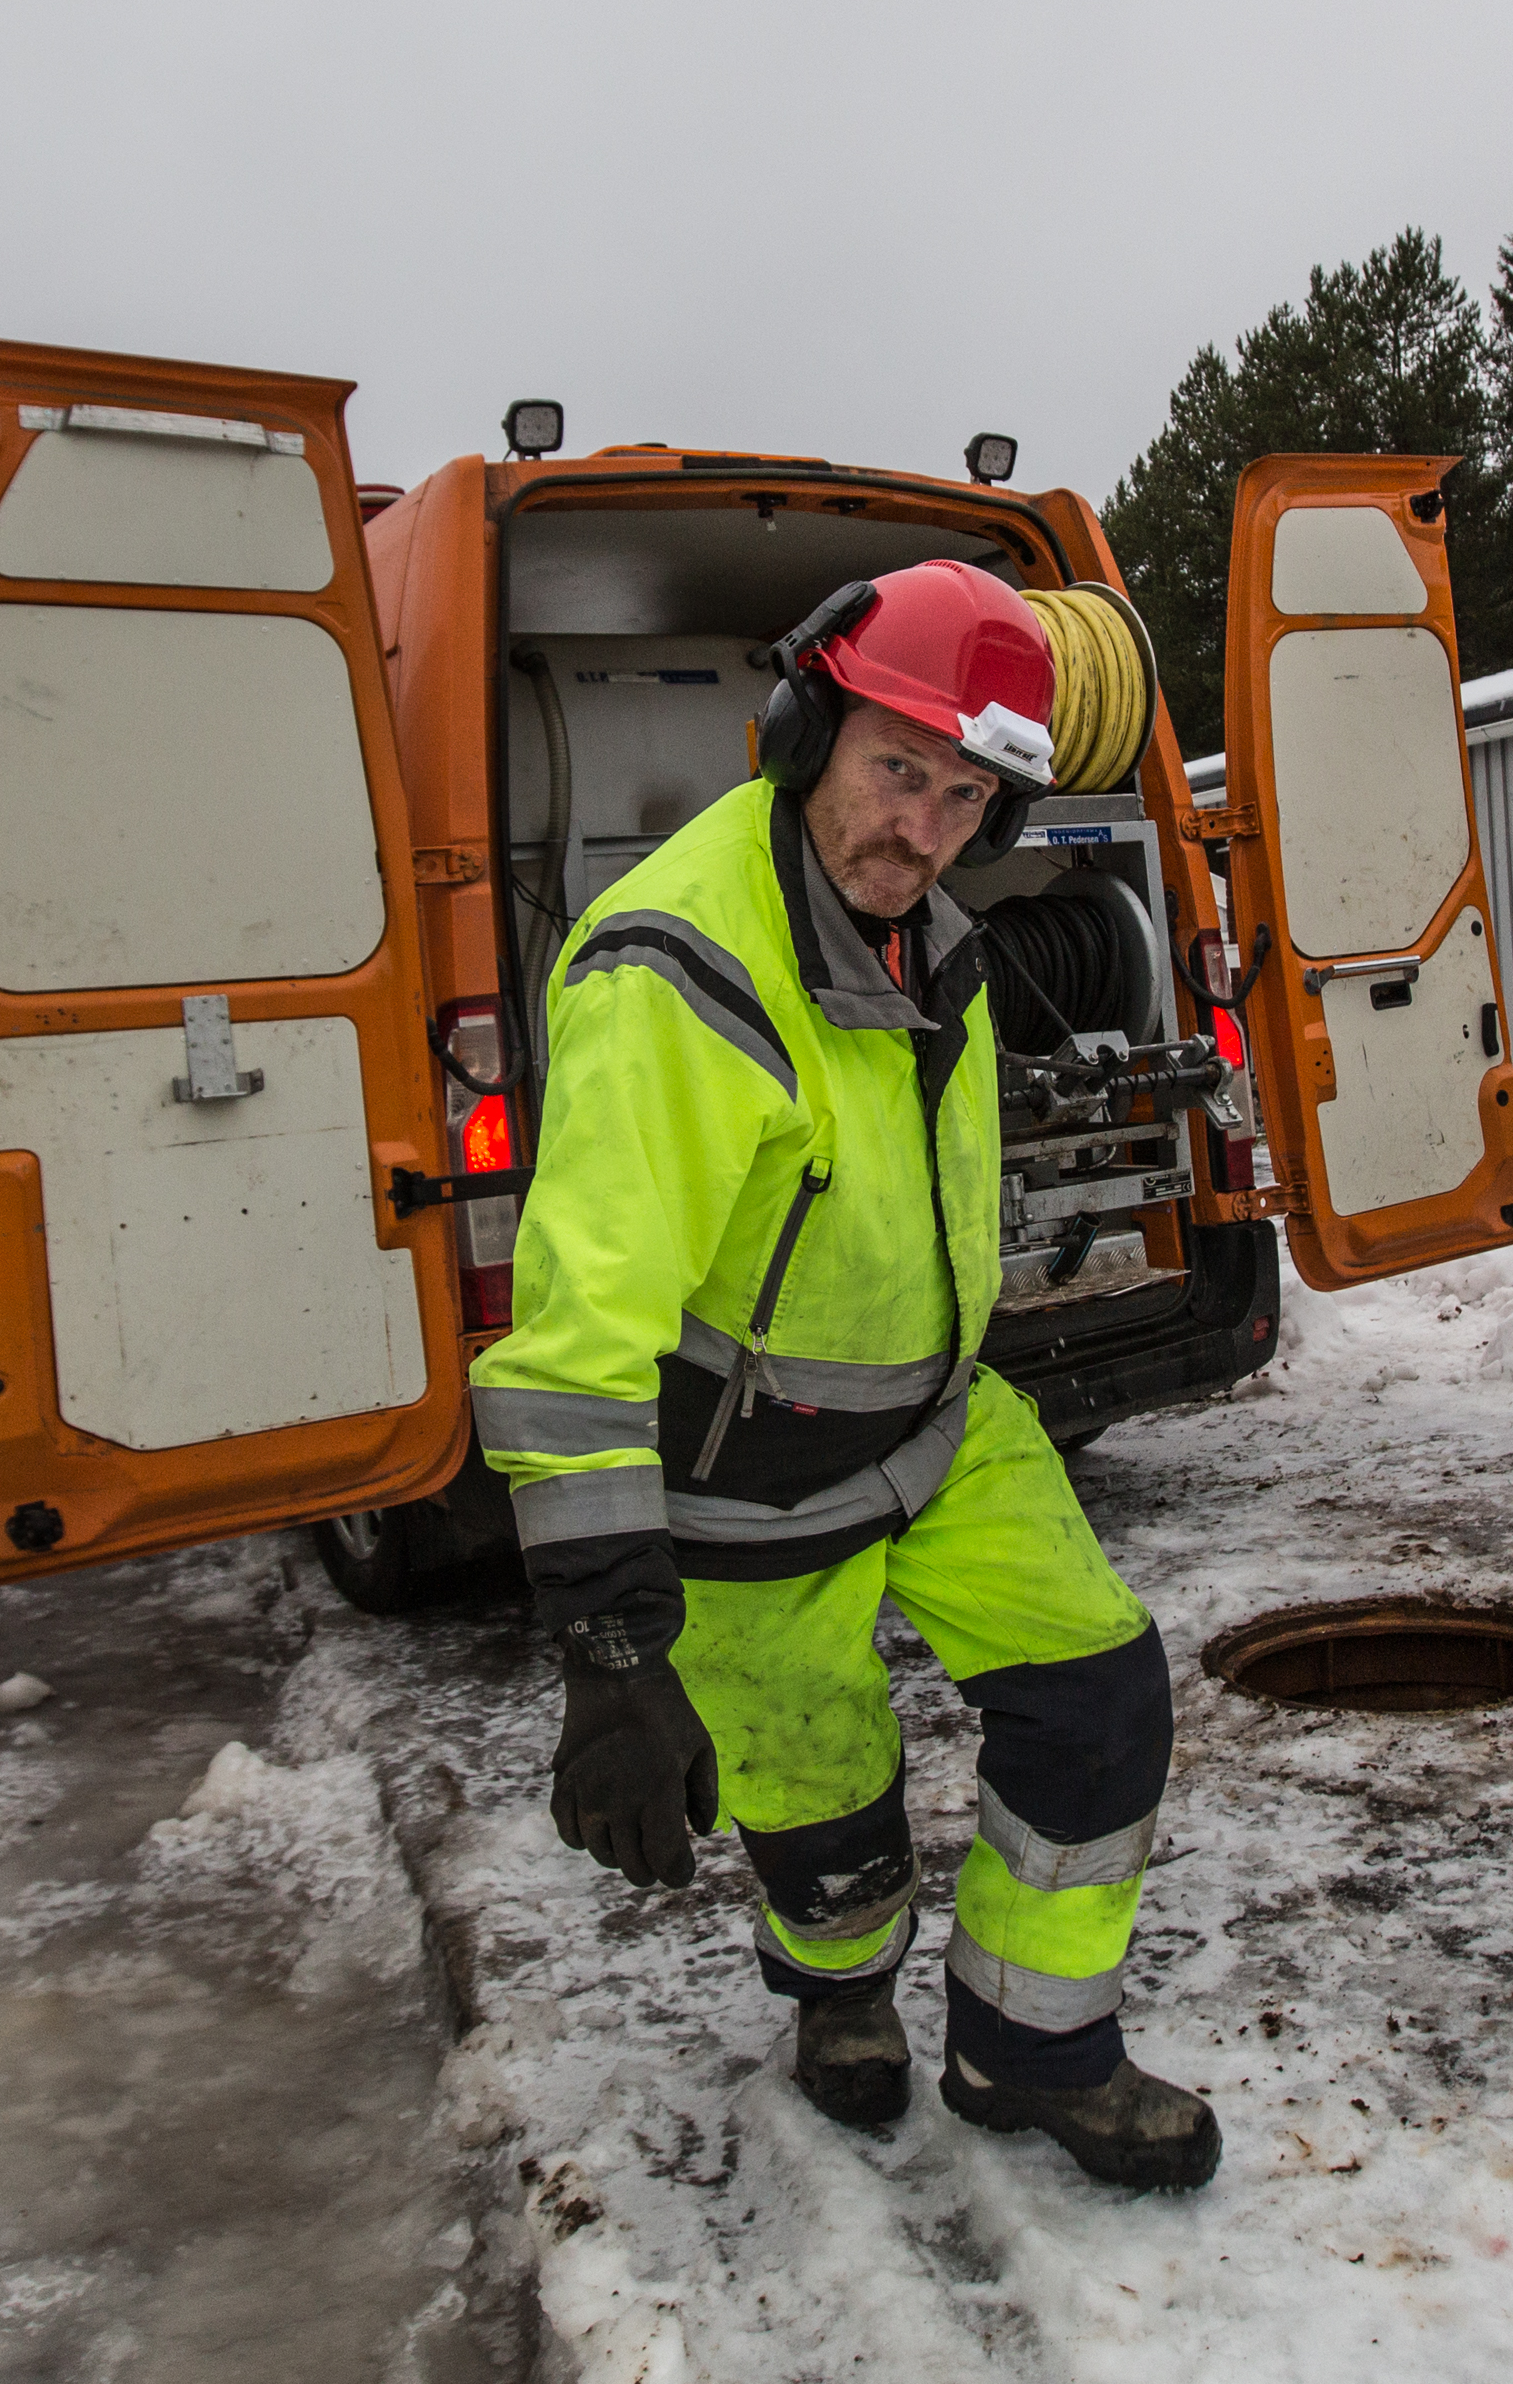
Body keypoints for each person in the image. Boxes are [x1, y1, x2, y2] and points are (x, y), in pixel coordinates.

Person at [471, 558, 1218, 2192]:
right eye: (897, 772)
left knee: (1097, 1701)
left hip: (943, 1426)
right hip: (748, 1474)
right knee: (819, 1799)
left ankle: (1034, 2049)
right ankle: (837, 2002)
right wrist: (609, 1650)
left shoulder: (920, 928)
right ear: (802, 735)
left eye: (965, 797)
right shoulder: (679, 980)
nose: (923, 831)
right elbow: (577, 1334)